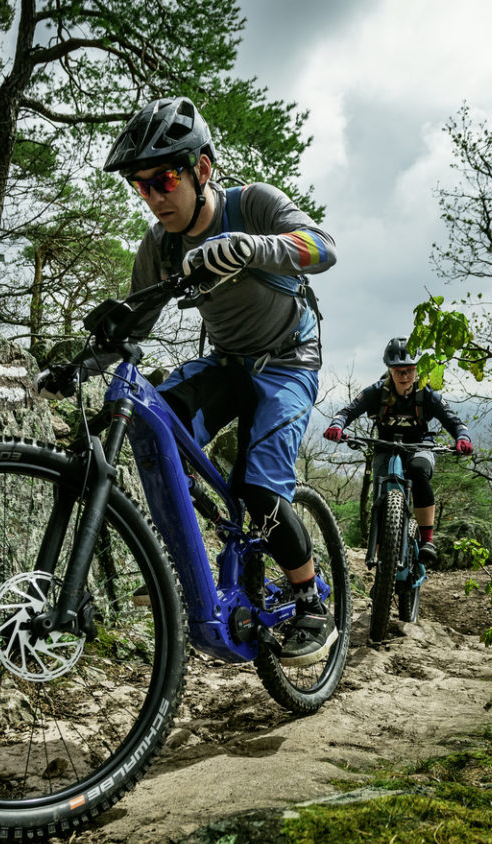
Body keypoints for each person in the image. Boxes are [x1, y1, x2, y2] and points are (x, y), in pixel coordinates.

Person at [102, 96, 338, 666]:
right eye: (142, 186)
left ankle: (310, 599)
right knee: (155, 433)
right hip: (230, 361)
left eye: (164, 179)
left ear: (201, 169)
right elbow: (137, 316)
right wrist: (81, 357)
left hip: (287, 359)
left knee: (260, 492)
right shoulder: (159, 245)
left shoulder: (253, 204)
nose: (154, 198)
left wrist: (250, 247)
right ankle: (182, 567)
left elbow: (322, 248)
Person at [323, 337, 474, 566]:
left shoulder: (427, 394)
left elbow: (454, 421)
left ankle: (427, 540)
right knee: (380, 492)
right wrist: (337, 426)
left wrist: (462, 438)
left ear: (417, 370)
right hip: (385, 445)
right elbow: (347, 411)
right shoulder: (376, 392)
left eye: (409, 370)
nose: (404, 376)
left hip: (420, 445)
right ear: (390, 371)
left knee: (418, 471)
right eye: (398, 371)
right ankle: (382, 557)